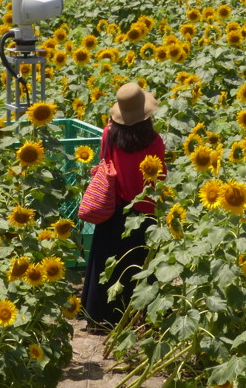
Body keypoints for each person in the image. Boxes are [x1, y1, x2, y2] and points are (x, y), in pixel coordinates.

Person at [81, 81, 166, 331]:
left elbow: (104, 161)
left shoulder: (109, 134)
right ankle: (139, 318)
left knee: (106, 266)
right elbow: (159, 178)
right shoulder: (154, 141)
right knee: (140, 266)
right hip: (143, 211)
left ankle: (99, 318)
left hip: (113, 211)